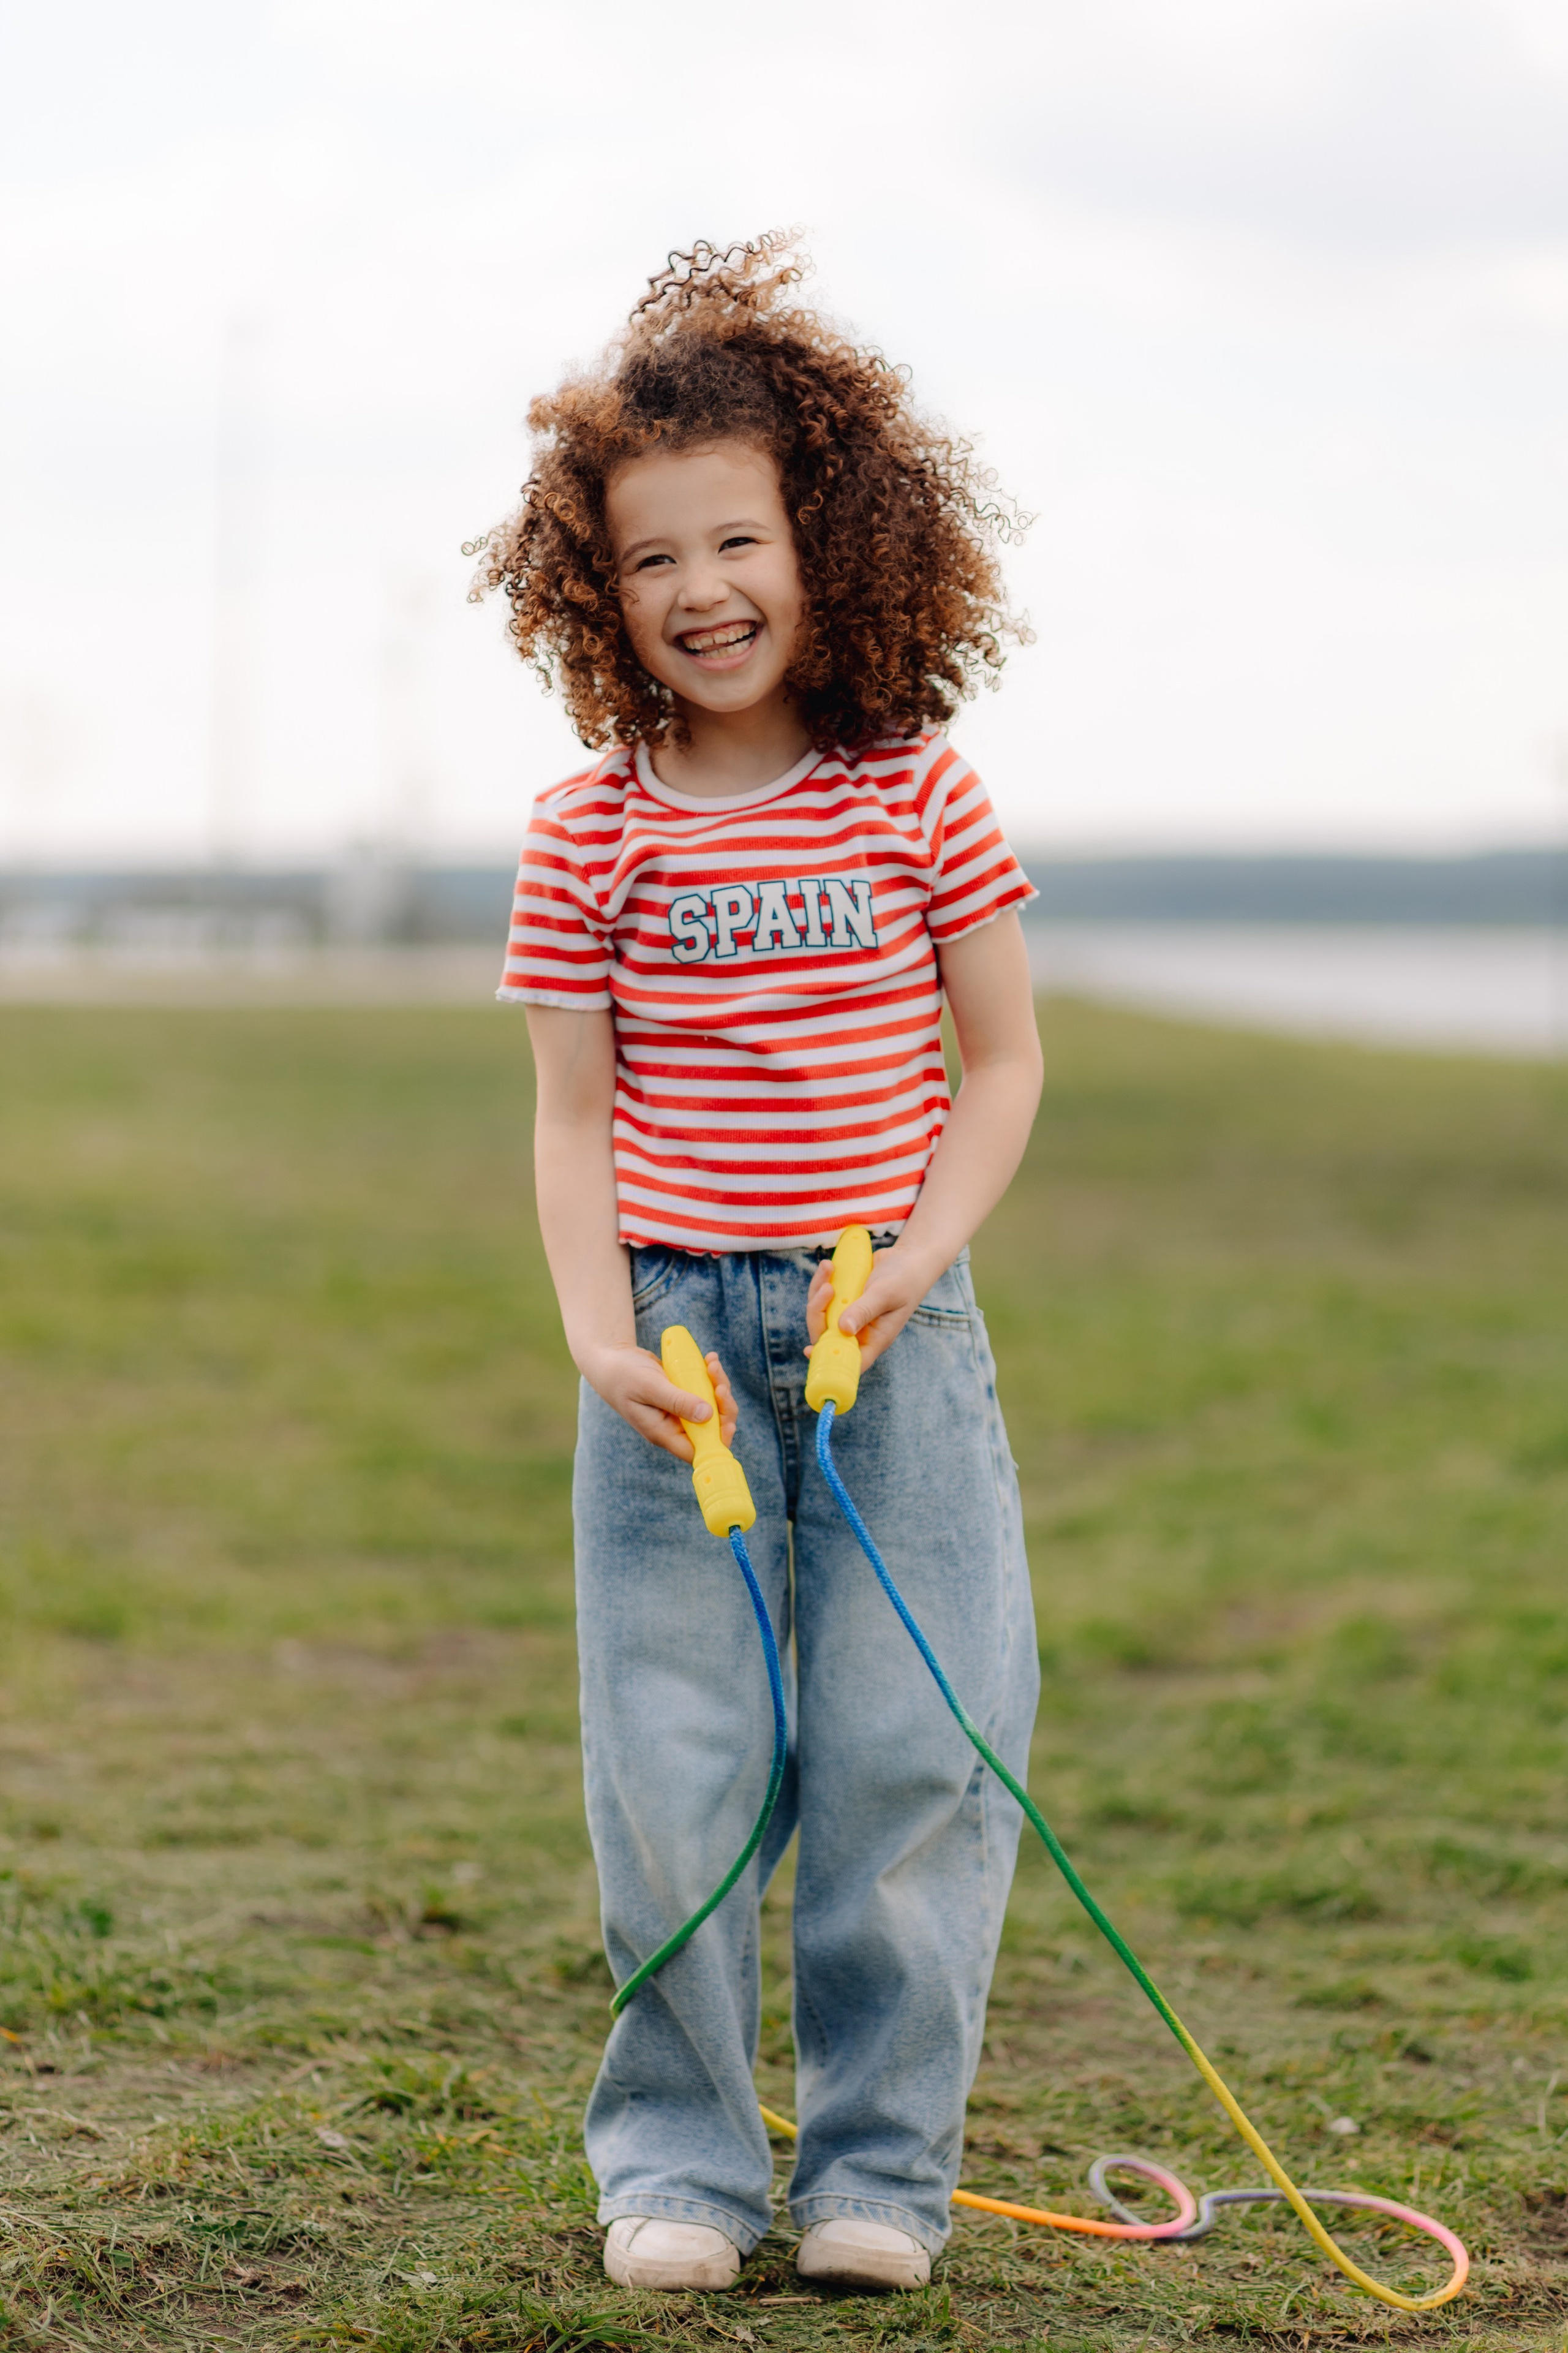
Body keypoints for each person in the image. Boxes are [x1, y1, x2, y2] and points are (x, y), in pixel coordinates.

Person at [473, 237, 1044, 2296]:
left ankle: (880, 2171)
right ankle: (686, 2168)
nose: (702, 588)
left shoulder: (918, 792)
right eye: (652, 558)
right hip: (678, 1352)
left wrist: (920, 1255)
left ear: (833, 546)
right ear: (595, 590)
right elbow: (571, 1117)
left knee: (911, 1744)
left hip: (888, 1329)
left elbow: (1004, 1063)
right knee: (677, 1765)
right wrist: (597, 1333)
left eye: (741, 539)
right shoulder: (586, 834)